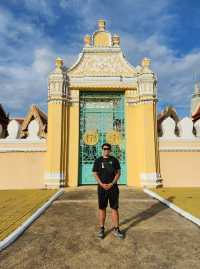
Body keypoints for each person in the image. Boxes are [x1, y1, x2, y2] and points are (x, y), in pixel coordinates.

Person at [92, 143, 124, 239]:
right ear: (102, 149)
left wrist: (112, 183)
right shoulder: (98, 161)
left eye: (108, 149)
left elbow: (118, 173)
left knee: (114, 208)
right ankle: (102, 229)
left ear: (110, 150)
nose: (106, 150)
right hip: (102, 188)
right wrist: (101, 184)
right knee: (102, 208)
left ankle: (116, 229)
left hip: (113, 188)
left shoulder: (114, 160)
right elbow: (95, 173)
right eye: (104, 149)